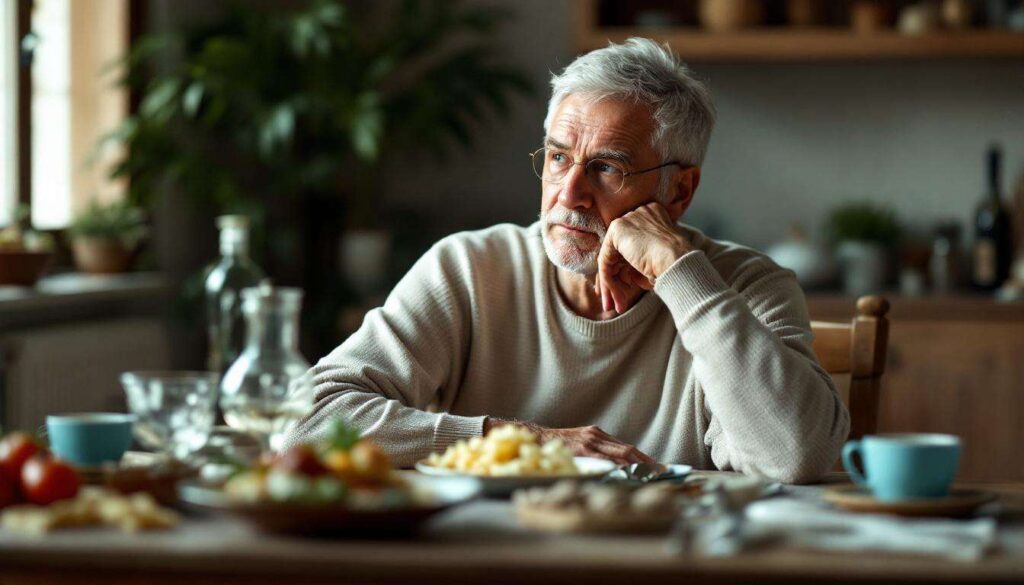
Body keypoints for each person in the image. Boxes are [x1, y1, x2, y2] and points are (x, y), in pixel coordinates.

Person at [287, 38, 849, 483]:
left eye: (607, 168)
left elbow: (792, 457)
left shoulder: (748, 286)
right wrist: (522, 441)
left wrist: (684, 280)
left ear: (679, 193)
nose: (569, 194)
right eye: (559, 157)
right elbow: (306, 422)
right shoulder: (469, 268)